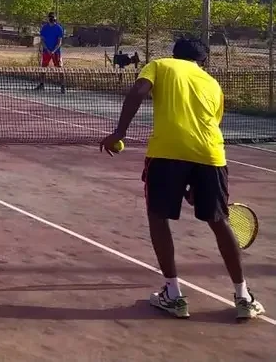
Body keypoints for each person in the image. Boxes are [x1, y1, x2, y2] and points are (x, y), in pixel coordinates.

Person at [100, 37, 265, 321]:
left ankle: (174, 295)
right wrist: (194, 184)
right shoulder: (213, 84)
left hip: (167, 153)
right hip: (211, 155)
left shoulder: (160, 65)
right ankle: (244, 297)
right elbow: (209, 125)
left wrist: (119, 132)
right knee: (219, 221)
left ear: (174, 54)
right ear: (202, 61)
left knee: (158, 217)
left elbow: (139, 90)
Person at [35, 12, 65, 92]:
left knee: (59, 67)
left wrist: (53, 51)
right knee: (43, 67)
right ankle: (41, 84)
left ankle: (62, 85)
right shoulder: (44, 28)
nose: (51, 19)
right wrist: (47, 50)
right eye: (50, 17)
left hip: (56, 52)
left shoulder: (59, 28)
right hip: (46, 51)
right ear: (48, 18)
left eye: (53, 18)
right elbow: (42, 40)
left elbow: (59, 42)